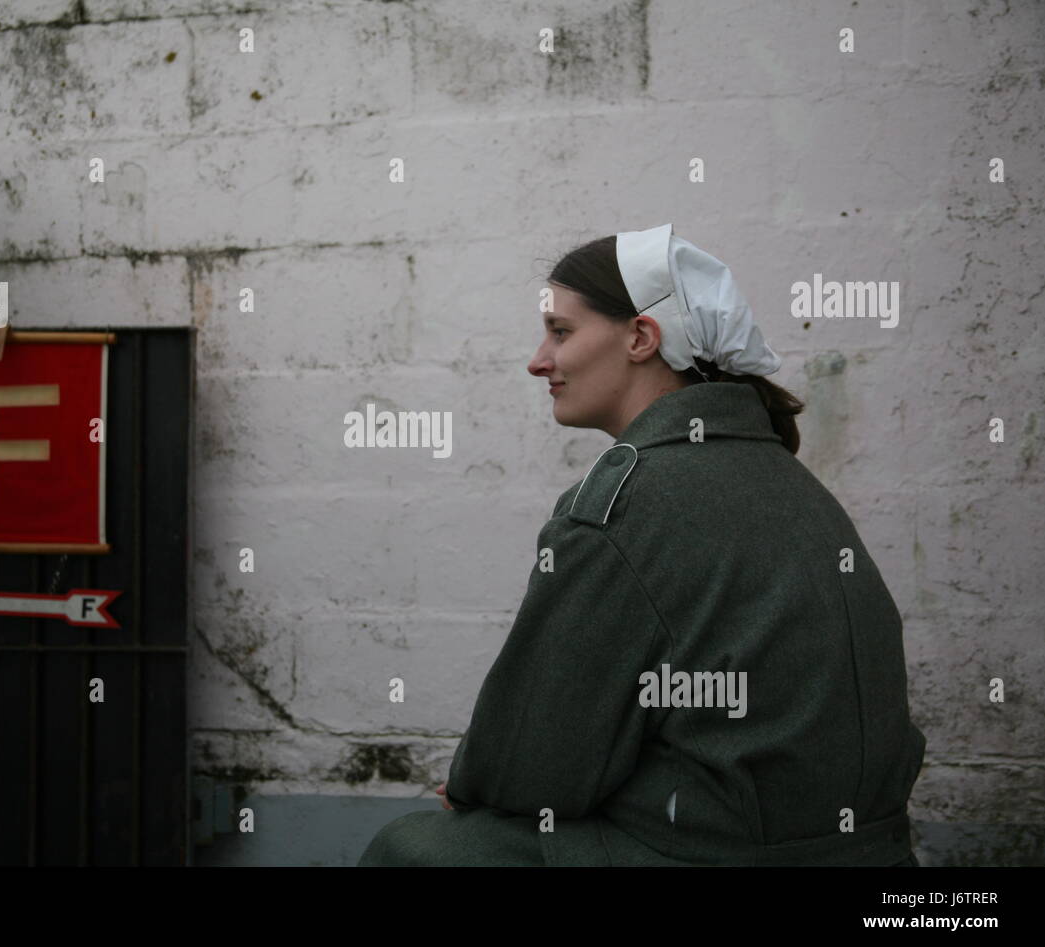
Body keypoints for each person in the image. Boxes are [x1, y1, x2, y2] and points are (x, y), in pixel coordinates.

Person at [357, 223, 926, 866]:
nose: (538, 360)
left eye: (561, 331)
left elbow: (533, 767)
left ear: (639, 337)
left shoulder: (622, 505)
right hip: (874, 856)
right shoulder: (792, 483)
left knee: (410, 849)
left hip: (718, 855)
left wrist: (470, 788)